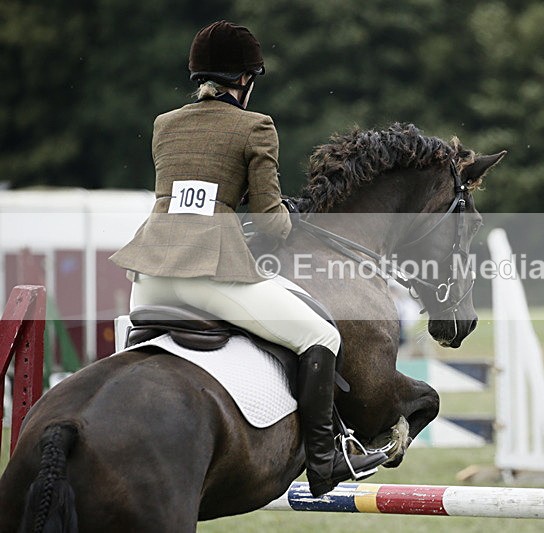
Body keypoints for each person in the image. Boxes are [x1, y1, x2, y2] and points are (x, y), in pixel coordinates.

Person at [109, 20, 386, 497]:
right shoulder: (256, 126)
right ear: (244, 80)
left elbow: (192, 200)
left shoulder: (164, 125)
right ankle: (325, 460)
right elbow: (271, 223)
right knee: (321, 334)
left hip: (148, 279)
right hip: (205, 276)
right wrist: (287, 216)